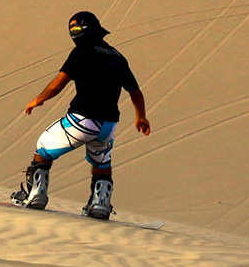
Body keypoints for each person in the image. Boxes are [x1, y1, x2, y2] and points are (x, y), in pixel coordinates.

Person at [12, 11, 152, 219]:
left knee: (43, 147)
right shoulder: (118, 56)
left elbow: (59, 83)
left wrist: (39, 99)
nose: (74, 33)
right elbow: (135, 91)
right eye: (72, 29)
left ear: (88, 29)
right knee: (102, 162)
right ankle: (100, 205)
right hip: (107, 125)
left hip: (81, 120)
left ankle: (35, 194)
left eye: (77, 29)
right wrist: (141, 117)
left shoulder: (81, 52)